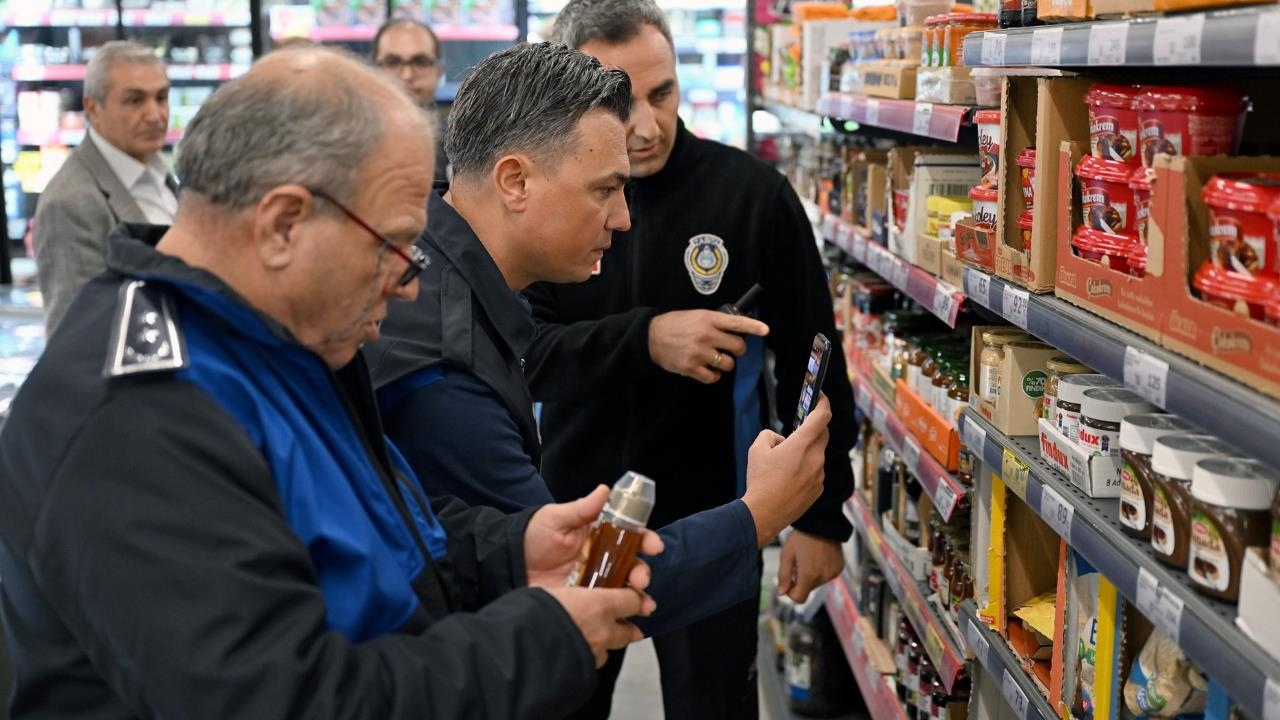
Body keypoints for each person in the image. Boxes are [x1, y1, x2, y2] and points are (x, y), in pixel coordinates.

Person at [0, 46, 660, 719]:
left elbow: (361, 530)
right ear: (285, 223)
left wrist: (507, 552)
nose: (408, 284)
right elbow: (284, 701)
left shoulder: (272, 340)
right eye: (394, 246)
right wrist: (542, 638)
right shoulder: (139, 419)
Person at [364, 42, 831, 643]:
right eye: (604, 190)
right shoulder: (449, 370)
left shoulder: (435, 265)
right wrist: (760, 513)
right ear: (515, 181)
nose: (623, 218)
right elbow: (580, 583)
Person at [524, 1, 858, 717]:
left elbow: (814, 361)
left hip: (717, 518)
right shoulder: (545, 204)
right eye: (618, 99)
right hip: (574, 520)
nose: (645, 125)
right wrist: (648, 339)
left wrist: (822, 515)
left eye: (662, 93)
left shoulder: (753, 196)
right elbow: (525, 354)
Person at [33, 40, 177, 335]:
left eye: (161, 97)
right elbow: (74, 334)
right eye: (135, 100)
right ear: (93, 108)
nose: (155, 115)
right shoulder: (71, 203)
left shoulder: (158, 170)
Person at [372, 18, 450, 185]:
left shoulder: (462, 145)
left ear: (439, 71)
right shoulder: (347, 142)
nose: (407, 75)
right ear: (374, 70)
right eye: (393, 62)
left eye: (420, 61)